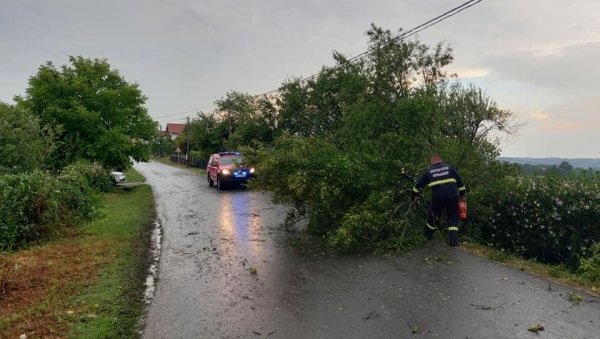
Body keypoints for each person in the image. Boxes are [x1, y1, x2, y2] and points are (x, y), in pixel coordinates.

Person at [411, 154, 466, 246]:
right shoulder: (450, 168)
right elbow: (461, 185)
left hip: (438, 198)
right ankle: (453, 242)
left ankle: (426, 237)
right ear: (441, 160)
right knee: (452, 218)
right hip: (453, 196)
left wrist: (412, 197)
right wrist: (461, 196)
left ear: (431, 162)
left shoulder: (429, 172)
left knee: (433, 217)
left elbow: (417, 187)